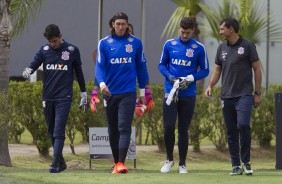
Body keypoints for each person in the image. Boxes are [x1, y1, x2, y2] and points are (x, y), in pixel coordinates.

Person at [22, 24, 87, 173]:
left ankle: (54, 163)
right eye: (50, 42)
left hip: (64, 97)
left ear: (60, 36)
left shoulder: (72, 50)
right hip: (48, 96)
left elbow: (79, 72)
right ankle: (62, 163)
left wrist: (84, 92)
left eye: (55, 41)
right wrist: (26, 71)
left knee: (58, 131)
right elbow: (34, 64)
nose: (53, 44)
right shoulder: (44, 50)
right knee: (52, 131)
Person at [204, 17, 262, 176]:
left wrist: (257, 93)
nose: (220, 31)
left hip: (244, 95)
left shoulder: (248, 46)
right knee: (231, 131)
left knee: (243, 125)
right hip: (226, 96)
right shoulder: (221, 47)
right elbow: (217, 70)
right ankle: (236, 165)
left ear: (231, 29)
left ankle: (247, 162)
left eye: (222, 28)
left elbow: (257, 69)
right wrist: (210, 86)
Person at [95, 12, 148, 174]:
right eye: (117, 24)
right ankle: (116, 162)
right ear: (112, 24)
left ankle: (121, 162)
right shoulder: (104, 43)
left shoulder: (136, 43)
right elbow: (99, 67)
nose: (120, 27)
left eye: (123, 24)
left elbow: (141, 68)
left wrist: (142, 92)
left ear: (127, 25)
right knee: (113, 129)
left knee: (124, 127)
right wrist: (102, 85)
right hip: (109, 93)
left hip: (128, 92)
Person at [158, 17, 209, 174]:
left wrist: (192, 78)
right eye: (182, 31)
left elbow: (205, 70)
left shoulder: (199, 48)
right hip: (170, 92)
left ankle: (182, 164)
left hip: (189, 93)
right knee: (168, 127)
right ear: (179, 29)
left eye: (187, 32)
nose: (184, 35)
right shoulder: (169, 44)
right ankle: (169, 160)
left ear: (192, 31)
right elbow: (161, 65)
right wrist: (171, 77)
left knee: (183, 129)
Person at [91, 22, 154, 116]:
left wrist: (146, 92)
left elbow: (143, 70)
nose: (123, 31)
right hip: (111, 91)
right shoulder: (107, 46)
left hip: (129, 90)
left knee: (124, 124)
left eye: (129, 32)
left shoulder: (136, 48)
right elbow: (100, 70)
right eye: (119, 26)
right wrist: (95, 92)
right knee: (113, 126)